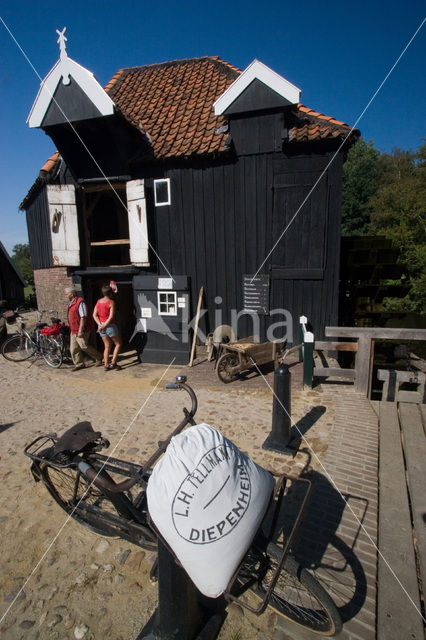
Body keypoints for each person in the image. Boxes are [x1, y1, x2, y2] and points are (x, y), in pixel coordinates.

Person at [65, 286, 102, 371]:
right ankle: (79, 364)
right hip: (73, 329)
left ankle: (99, 357)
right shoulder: (71, 303)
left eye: (67, 294)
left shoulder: (80, 302)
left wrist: (80, 330)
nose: (66, 296)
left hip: (81, 329)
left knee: (84, 346)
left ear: (72, 294)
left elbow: (83, 316)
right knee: (73, 348)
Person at [93, 285, 123, 370]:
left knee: (107, 346)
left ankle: (106, 365)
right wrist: (104, 325)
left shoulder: (98, 302)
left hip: (101, 326)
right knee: (118, 343)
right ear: (110, 293)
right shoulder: (111, 302)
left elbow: (94, 315)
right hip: (109, 326)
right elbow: (111, 317)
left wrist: (100, 325)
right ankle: (113, 362)